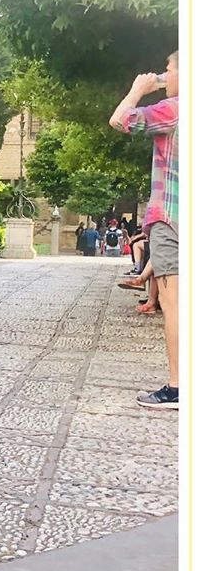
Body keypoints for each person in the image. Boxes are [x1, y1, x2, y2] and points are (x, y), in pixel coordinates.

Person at [109, 51, 179, 408]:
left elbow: (120, 120)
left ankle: (178, 387)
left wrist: (138, 90)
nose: (164, 76)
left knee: (175, 304)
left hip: (171, 217)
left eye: (169, 70)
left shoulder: (176, 109)